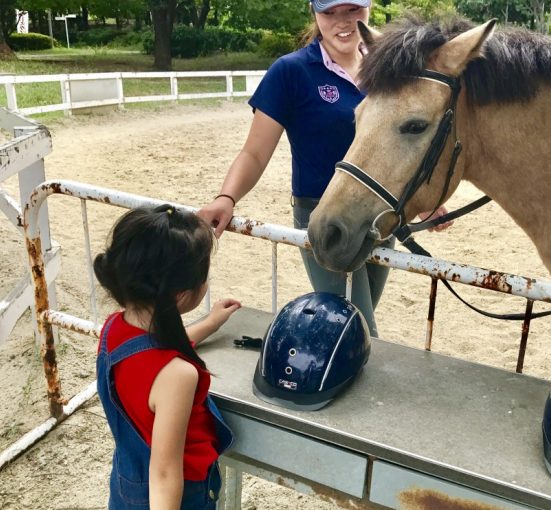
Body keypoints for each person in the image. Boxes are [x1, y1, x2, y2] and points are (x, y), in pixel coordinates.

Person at [198, 0, 451, 337]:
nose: (342, 22)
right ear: (314, 12)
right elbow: (254, 153)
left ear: (368, 8)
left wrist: (422, 199)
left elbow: (407, 142)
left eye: (352, 10)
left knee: (356, 323)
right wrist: (226, 197)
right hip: (327, 218)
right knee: (358, 331)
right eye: (329, 12)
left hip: (380, 215)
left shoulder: (391, 69)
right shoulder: (291, 72)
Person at [93, 204, 241, 510]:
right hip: (180, 497)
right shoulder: (178, 375)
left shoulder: (114, 328)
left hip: (128, 481)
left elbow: (153, 349)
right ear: (181, 294)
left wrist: (210, 324)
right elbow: (164, 475)